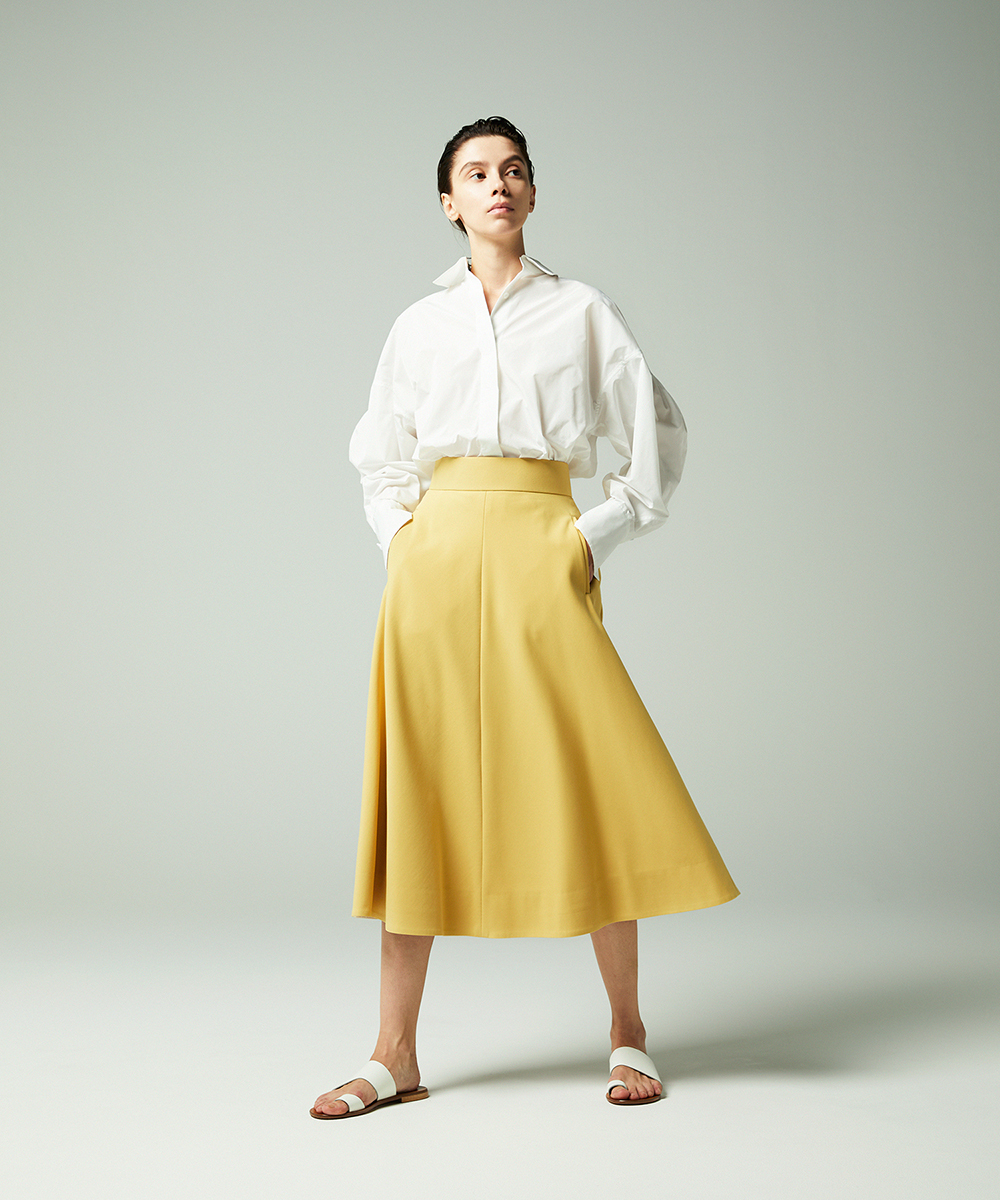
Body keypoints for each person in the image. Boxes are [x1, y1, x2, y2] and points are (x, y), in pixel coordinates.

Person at [311, 116, 739, 1120]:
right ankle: (393, 1052)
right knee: (420, 789)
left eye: (513, 170)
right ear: (449, 202)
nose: (496, 184)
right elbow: (382, 453)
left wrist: (589, 539)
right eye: (476, 172)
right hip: (435, 565)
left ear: (533, 194)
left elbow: (656, 435)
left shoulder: (582, 311)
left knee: (592, 779)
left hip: (544, 548)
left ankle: (628, 1029)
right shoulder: (419, 325)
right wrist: (403, 540)